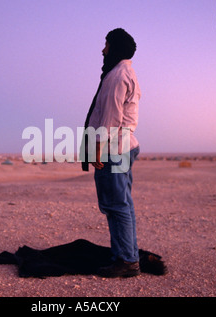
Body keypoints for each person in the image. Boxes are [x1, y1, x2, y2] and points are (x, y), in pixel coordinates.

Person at [81, 28, 141, 278]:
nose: (103, 50)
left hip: (113, 151)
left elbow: (110, 118)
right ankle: (128, 255)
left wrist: (97, 148)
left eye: (106, 45)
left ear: (114, 47)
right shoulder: (124, 72)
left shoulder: (117, 75)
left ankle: (126, 261)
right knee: (123, 205)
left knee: (115, 206)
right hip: (123, 147)